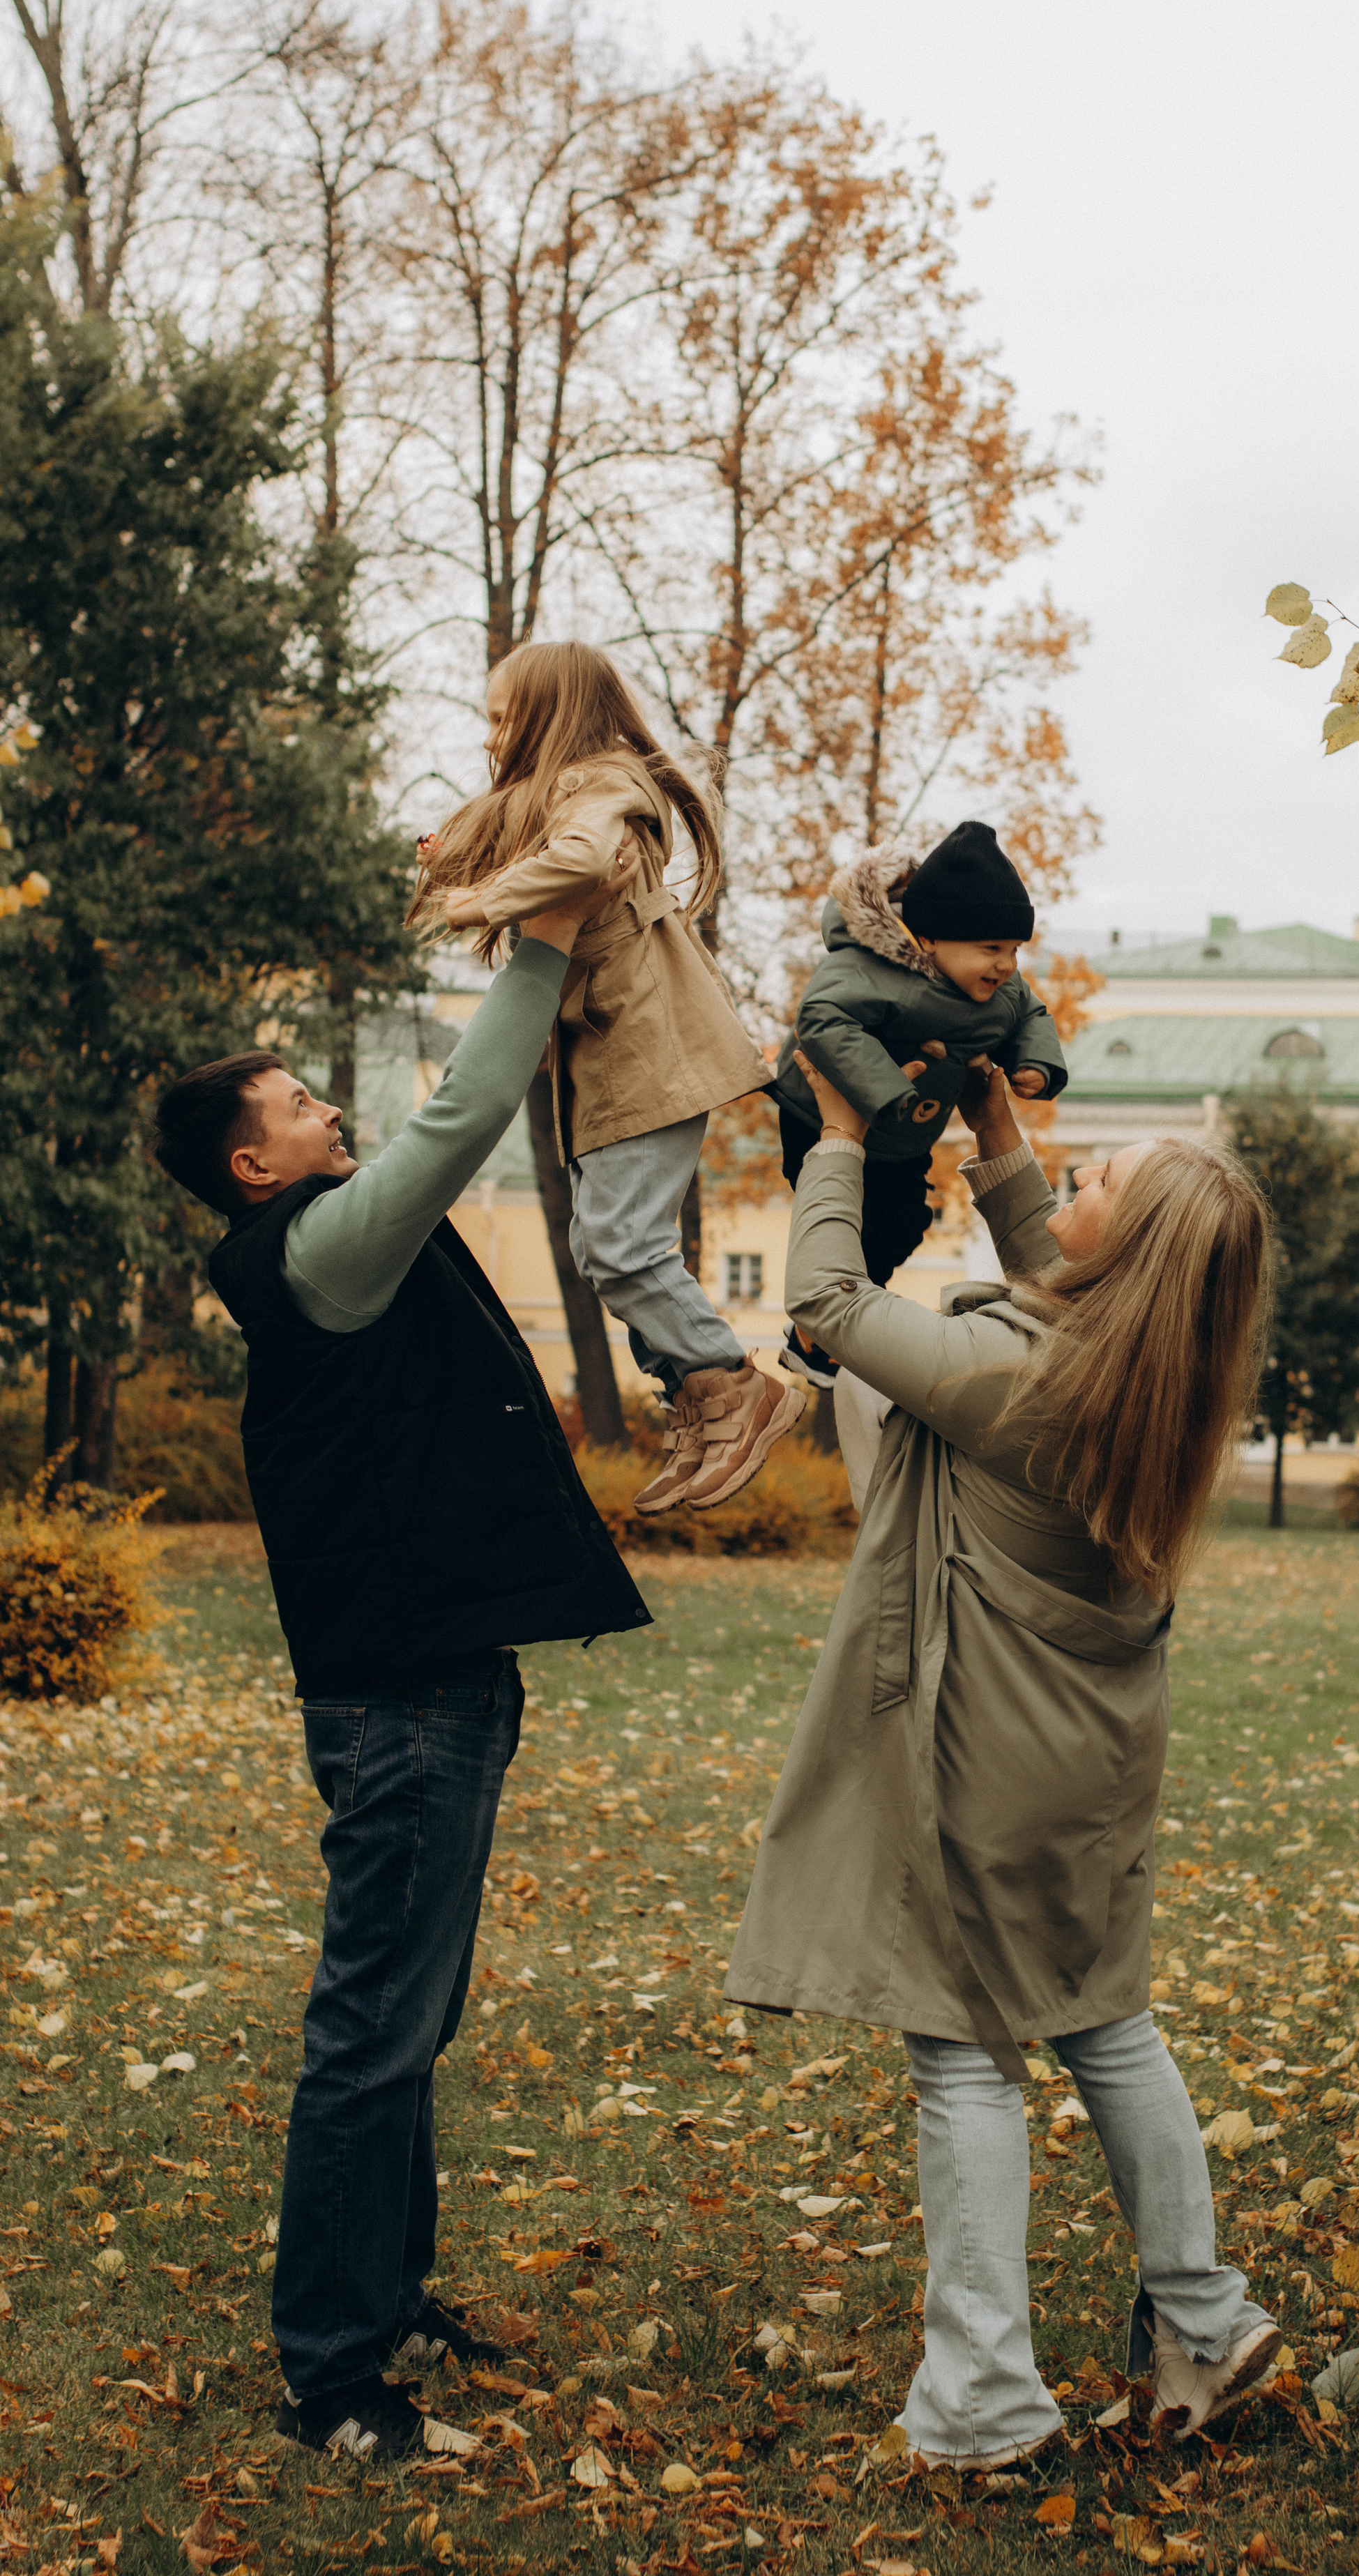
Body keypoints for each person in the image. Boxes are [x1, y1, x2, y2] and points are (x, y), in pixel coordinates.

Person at [153, 876, 651, 2464]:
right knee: (373, 2030)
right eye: (299, 1104)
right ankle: (335, 2376)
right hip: (401, 1701)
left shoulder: (321, 1246)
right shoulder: (314, 1251)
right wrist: (547, 931)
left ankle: (388, 2297)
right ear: (255, 1165)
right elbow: (462, 1114)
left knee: (405, 2024)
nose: (329, 1108)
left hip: (433, 1682)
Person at [727, 1052, 1282, 2464]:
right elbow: (1064, 1264)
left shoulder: (1009, 1379)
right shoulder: (1151, 1384)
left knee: (963, 2052)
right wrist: (994, 1133)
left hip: (988, 1754)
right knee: (1104, 2020)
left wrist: (835, 1143)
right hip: (1093, 1760)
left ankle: (983, 2400)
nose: (1069, 1181)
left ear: (1127, 1255)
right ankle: (1202, 2315)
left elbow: (829, 1304)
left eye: (1095, 1182)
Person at [411, 639, 803, 1511]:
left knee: (622, 1245)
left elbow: (583, 861)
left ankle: (736, 1389)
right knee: (601, 1248)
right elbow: (537, 846)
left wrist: (478, 900)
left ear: (549, 714)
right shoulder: (571, 793)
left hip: (652, 1047)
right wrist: (449, 860)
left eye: (502, 719)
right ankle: (699, 1398)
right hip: (617, 1055)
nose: (490, 737)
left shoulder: (604, 786)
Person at [768, 820, 1065, 1387]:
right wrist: (882, 1090)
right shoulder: (870, 967)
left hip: (904, 1134)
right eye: (991, 949)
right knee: (846, 1220)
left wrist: (1036, 1064)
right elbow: (821, 1018)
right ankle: (822, 1325)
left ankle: (816, 1340)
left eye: (1014, 950)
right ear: (929, 940)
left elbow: (1029, 1015)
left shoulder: (1000, 990)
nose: (1006, 966)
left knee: (904, 1223)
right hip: (819, 1117)